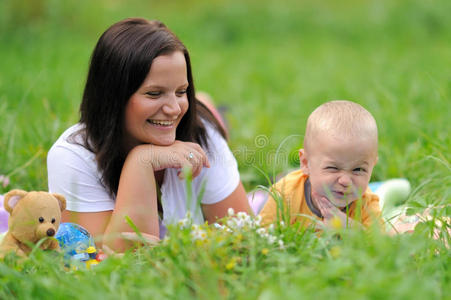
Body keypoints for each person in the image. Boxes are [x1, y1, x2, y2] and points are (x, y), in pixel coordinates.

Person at [47, 18, 250, 252]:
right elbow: (115, 264)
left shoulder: (202, 132)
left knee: (210, 120)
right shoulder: (71, 157)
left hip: (201, 121)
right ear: (112, 97)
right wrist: (142, 161)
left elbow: (244, 236)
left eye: (182, 91)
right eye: (154, 93)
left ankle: (209, 105)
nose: (174, 108)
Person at [259, 100, 383, 230]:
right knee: (257, 202)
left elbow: (380, 244)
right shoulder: (285, 195)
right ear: (305, 163)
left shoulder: (366, 204)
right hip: (275, 196)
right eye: (333, 168)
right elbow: (262, 236)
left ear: (372, 165)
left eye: (358, 169)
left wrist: (349, 227)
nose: (345, 181)